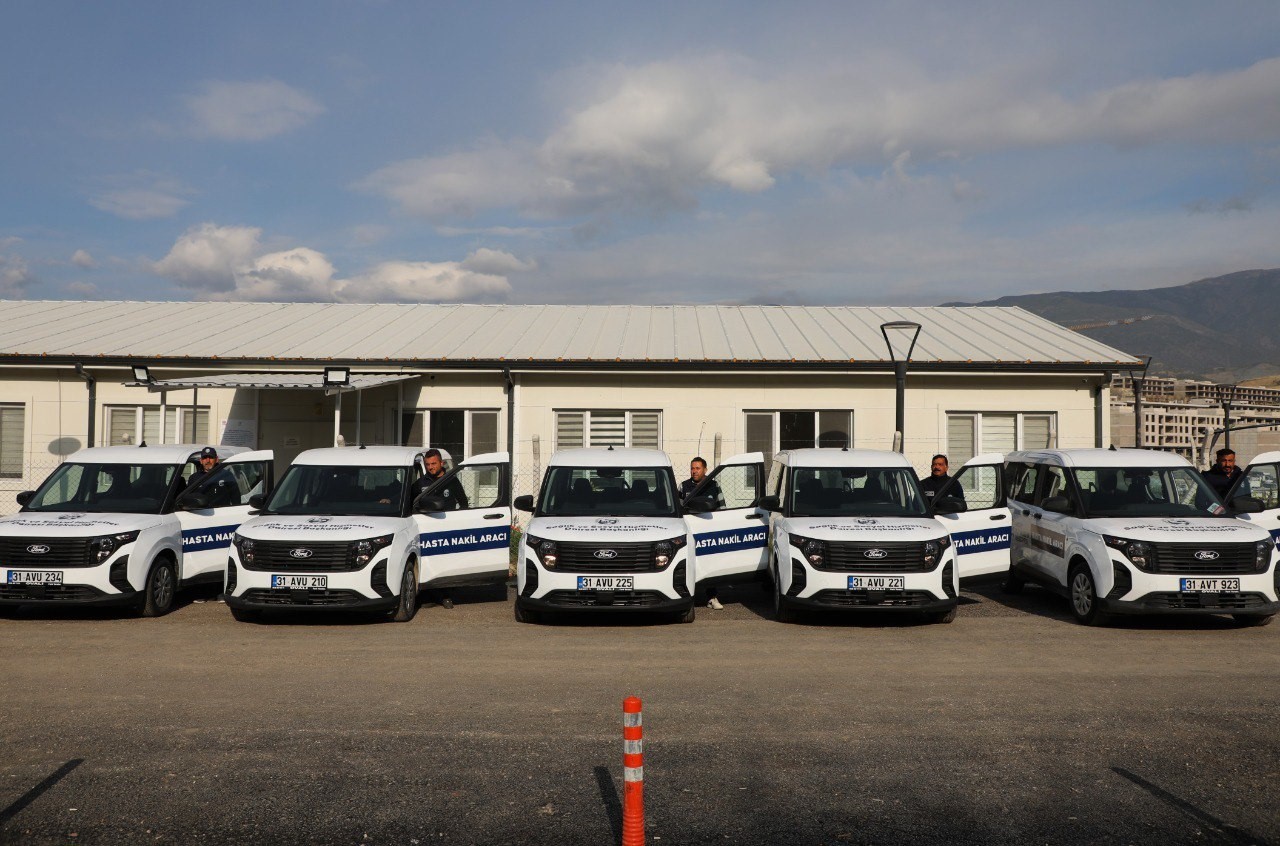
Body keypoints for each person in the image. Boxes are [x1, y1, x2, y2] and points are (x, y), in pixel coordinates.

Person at [681, 457, 724, 610]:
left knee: (710, 563)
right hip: (690, 531)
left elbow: (722, 508)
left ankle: (712, 598)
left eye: (698, 468)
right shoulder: (684, 486)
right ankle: (684, 599)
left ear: (705, 469)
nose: (694, 471)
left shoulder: (713, 486)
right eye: (692, 468)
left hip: (708, 532)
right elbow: (678, 508)